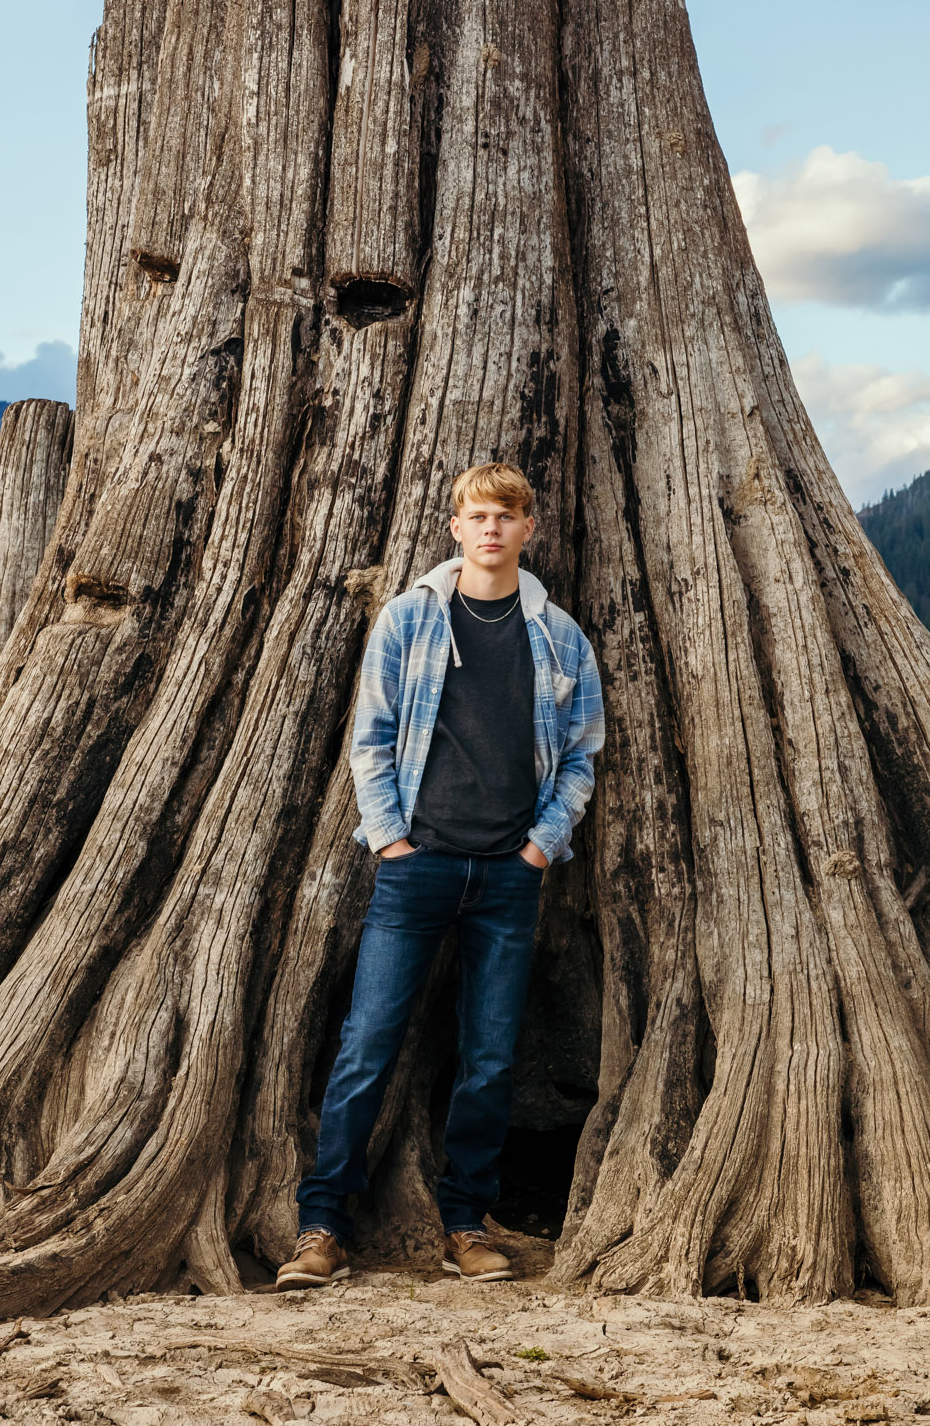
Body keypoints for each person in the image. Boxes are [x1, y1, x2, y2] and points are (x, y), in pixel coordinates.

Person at [277, 461, 603, 1288]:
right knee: (367, 1045)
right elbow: (372, 738)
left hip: (508, 875)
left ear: (529, 529)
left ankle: (464, 1224)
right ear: (454, 527)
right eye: (476, 515)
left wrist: (541, 846)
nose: (491, 529)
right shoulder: (410, 620)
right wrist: (391, 841)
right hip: (415, 869)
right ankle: (322, 1229)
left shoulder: (560, 636)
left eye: (506, 516)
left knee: (490, 1058)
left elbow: (580, 757)